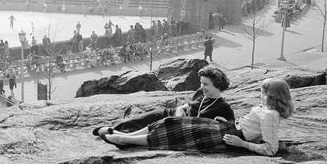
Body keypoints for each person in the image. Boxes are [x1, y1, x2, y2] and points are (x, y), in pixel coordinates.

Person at [101, 78, 293, 157]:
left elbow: (271, 150)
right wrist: (227, 123)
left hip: (229, 139)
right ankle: (126, 135)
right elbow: (258, 132)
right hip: (227, 129)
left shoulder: (270, 115)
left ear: (273, 96)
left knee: (177, 134)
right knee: (172, 121)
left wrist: (242, 145)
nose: (260, 95)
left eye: (263, 93)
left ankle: (124, 140)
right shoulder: (267, 111)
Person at [92, 66, 235, 137]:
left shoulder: (224, 108)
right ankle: (115, 130)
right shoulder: (200, 93)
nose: (201, 87)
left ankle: (116, 135)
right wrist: (179, 112)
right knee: (141, 119)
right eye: (201, 83)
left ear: (217, 85)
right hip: (172, 114)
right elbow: (185, 106)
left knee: (154, 129)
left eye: (206, 84)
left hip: (181, 127)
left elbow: (231, 129)